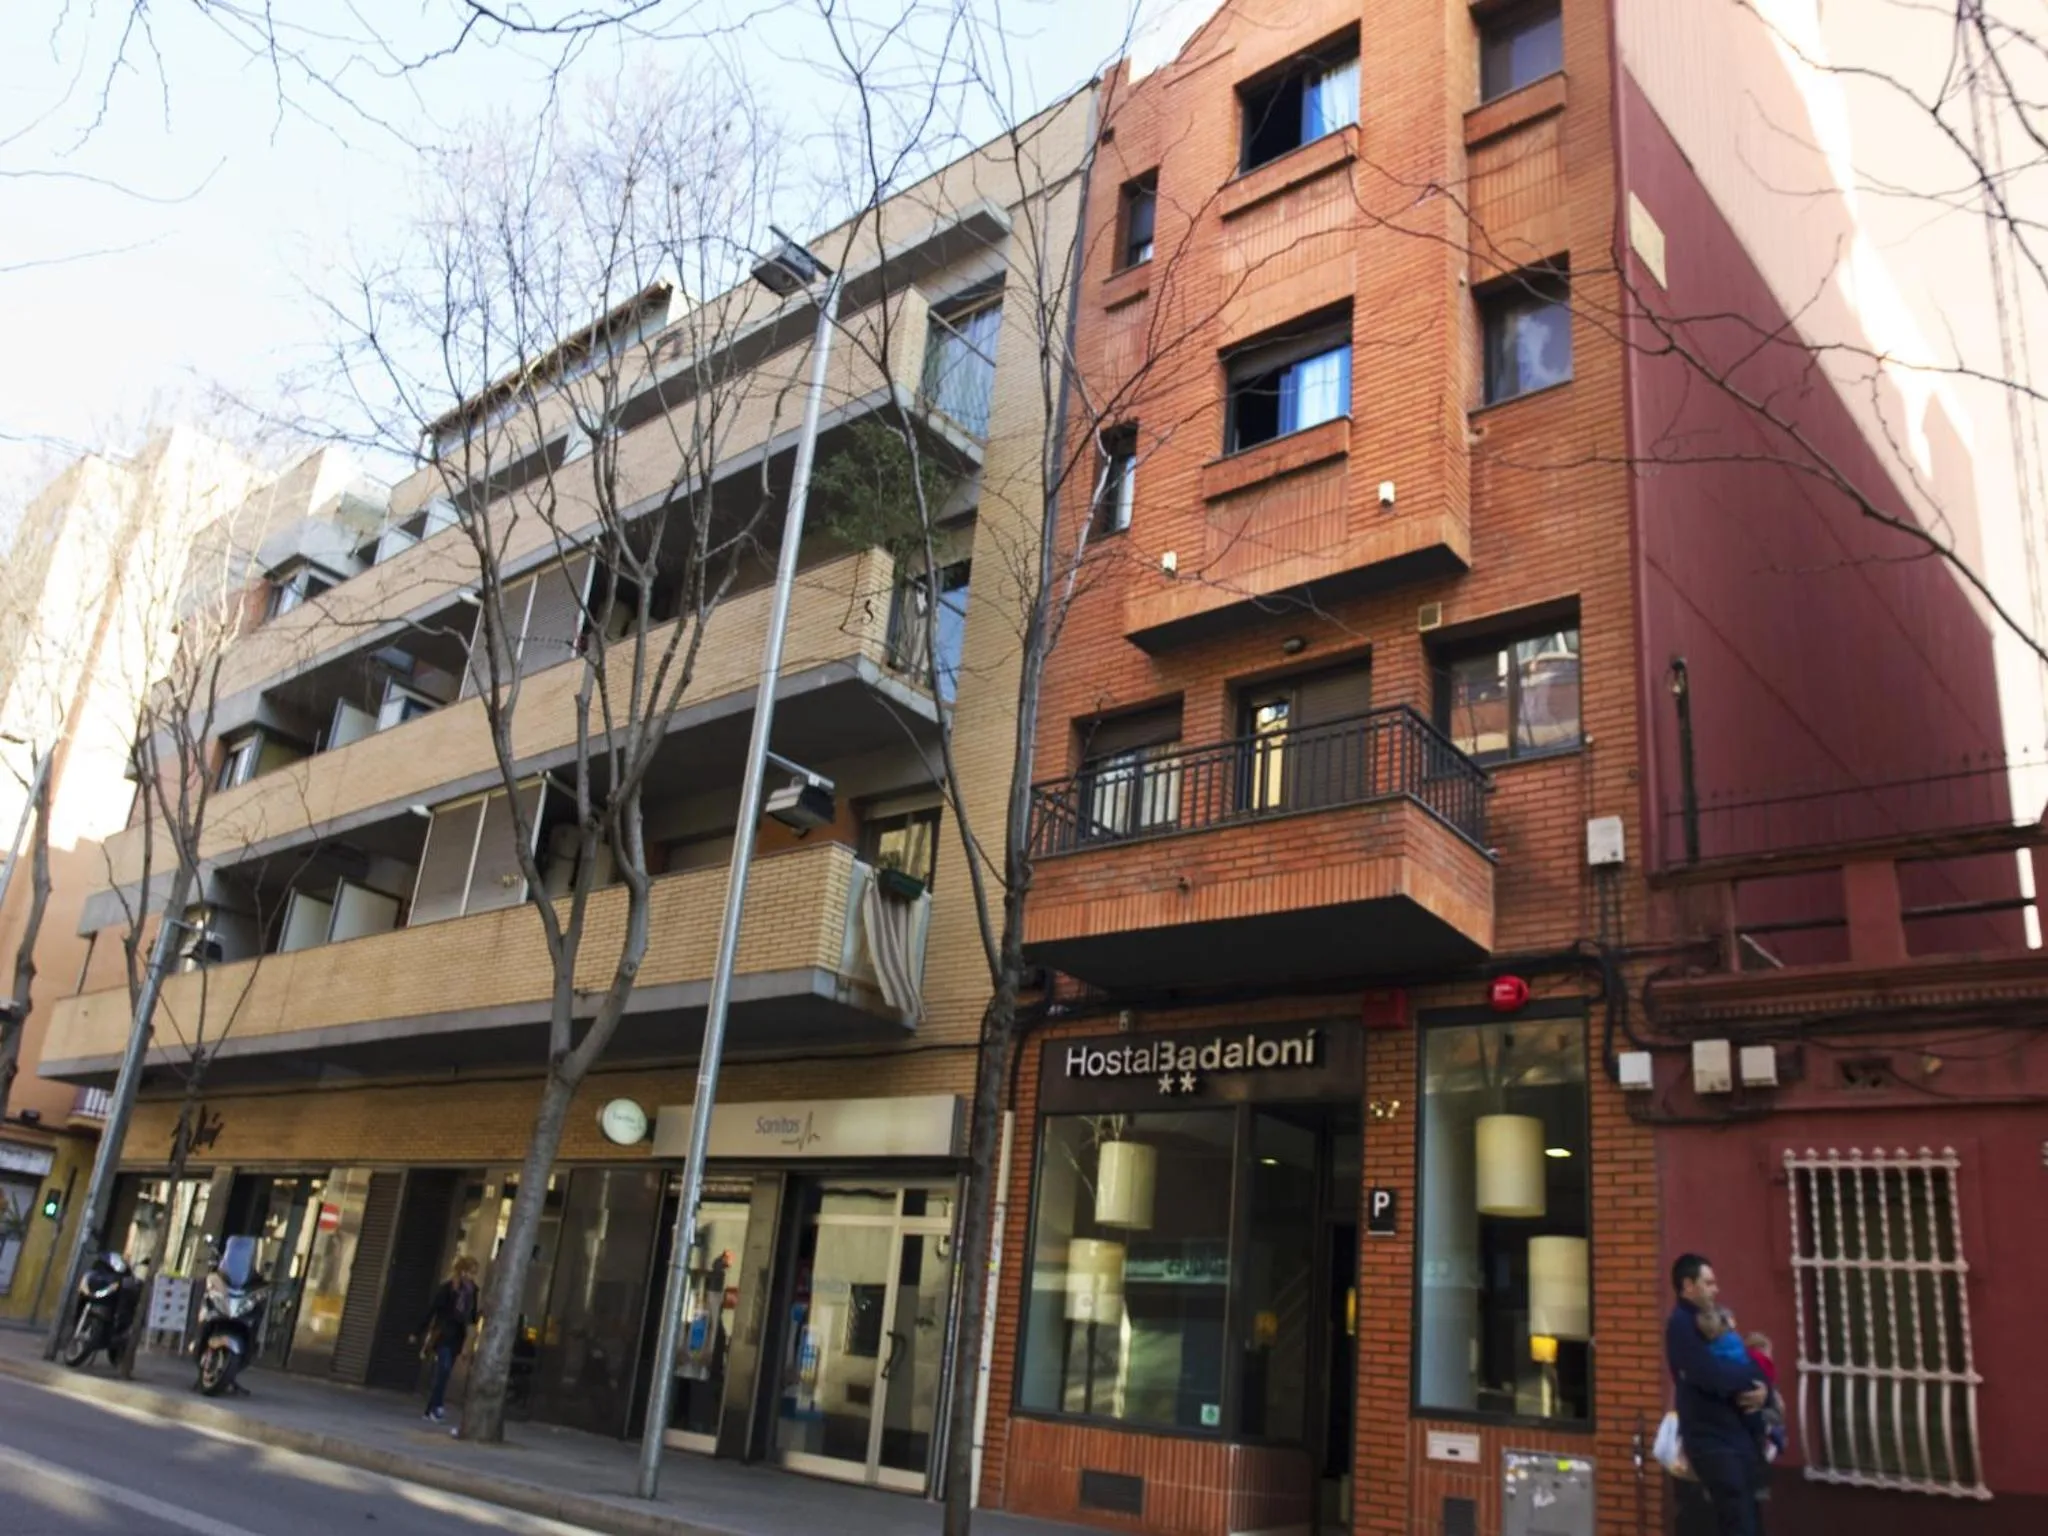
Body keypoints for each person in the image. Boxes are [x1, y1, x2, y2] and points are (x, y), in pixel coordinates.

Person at [1666, 1253, 1771, 1536]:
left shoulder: (1717, 1320)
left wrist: (1764, 1391)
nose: (1716, 1289)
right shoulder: (1681, 1325)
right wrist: (1748, 1382)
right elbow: (1709, 1374)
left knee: (1749, 1518)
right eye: (1708, 1283)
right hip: (1712, 1440)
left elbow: (1747, 1361)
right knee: (1737, 1519)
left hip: (1740, 1437)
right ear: (1688, 1285)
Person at [410, 1256, 481, 1424]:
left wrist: (472, 1336)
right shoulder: (448, 1289)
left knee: (445, 1372)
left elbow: (471, 1317)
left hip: (458, 1336)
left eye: (474, 1273)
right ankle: (437, 1406)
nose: (471, 1276)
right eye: (469, 1272)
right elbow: (432, 1310)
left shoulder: (472, 1292)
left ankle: (432, 1408)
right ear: (461, 1271)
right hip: (443, 1333)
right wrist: (417, 1331)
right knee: (444, 1367)